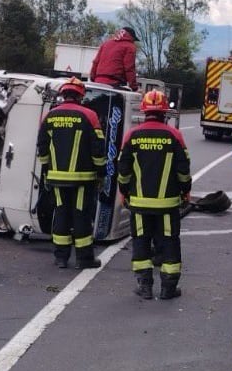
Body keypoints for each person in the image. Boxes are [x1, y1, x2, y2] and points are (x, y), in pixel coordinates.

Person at [117, 90, 191, 300]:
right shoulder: (174, 135)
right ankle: (168, 288)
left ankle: (145, 286)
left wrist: (124, 192)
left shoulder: (132, 135)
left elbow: (123, 170)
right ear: (164, 112)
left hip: (139, 203)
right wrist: (185, 191)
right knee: (169, 242)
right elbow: (183, 170)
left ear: (144, 111)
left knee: (141, 241)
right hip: (167, 204)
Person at [37, 77, 106, 269]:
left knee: (61, 213)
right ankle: (84, 259)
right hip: (83, 179)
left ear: (63, 94)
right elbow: (98, 149)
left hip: (56, 177)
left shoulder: (50, 116)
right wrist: (100, 173)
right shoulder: (90, 115)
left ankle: (61, 258)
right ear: (81, 96)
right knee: (81, 215)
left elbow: (42, 147)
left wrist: (47, 170)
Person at [90, 27, 139, 91]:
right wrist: (134, 86)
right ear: (131, 37)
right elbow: (129, 68)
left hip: (98, 82)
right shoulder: (130, 46)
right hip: (115, 84)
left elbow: (95, 62)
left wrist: (93, 78)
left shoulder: (106, 44)